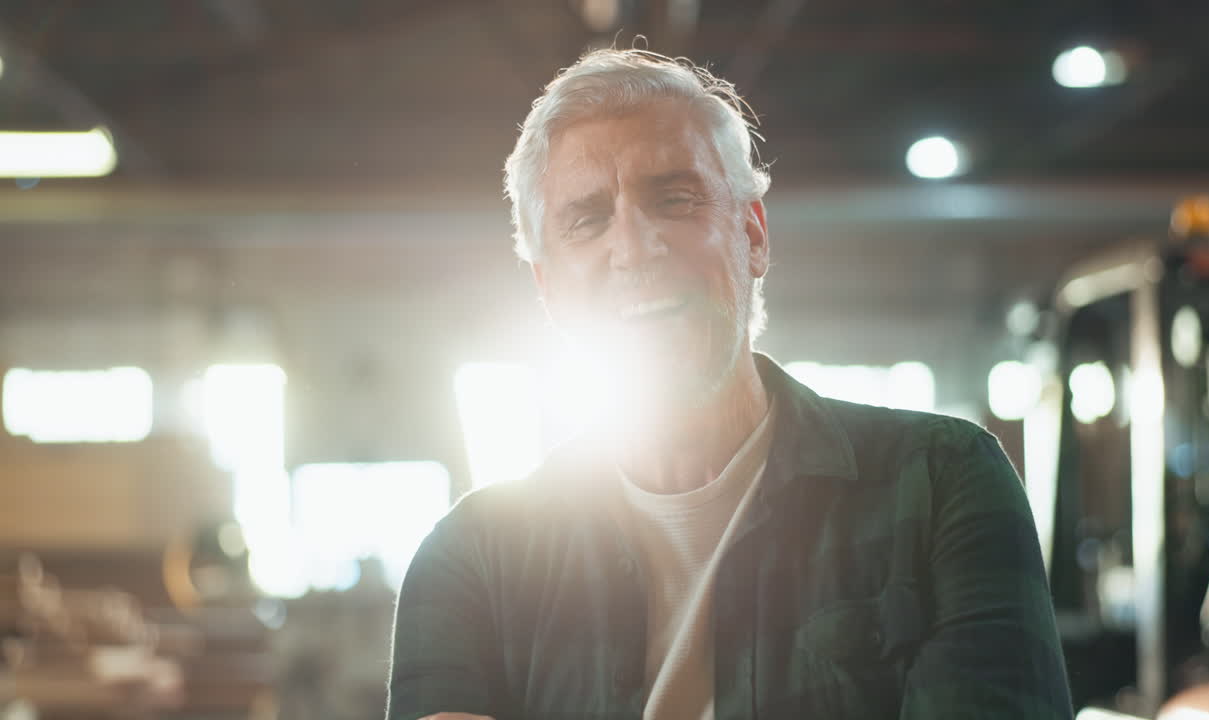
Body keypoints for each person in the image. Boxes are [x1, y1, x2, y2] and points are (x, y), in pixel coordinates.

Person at [387, 48, 1073, 720]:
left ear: (754, 235)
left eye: (674, 200)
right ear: (548, 290)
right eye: (587, 220)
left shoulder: (940, 484)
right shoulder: (472, 559)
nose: (635, 248)